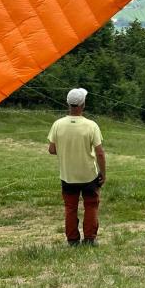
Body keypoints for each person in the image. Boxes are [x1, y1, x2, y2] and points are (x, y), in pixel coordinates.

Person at [48, 88, 106, 246]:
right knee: (91, 205)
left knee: (70, 207)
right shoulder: (91, 125)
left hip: (67, 175)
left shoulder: (58, 124)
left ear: (68, 104)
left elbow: (52, 149)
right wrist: (103, 173)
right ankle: (89, 238)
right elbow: (100, 153)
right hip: (88, 175)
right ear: (83, 105)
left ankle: (72, 239)